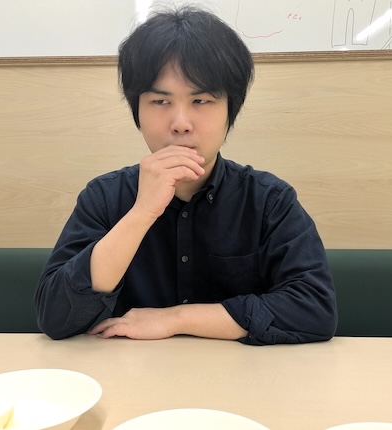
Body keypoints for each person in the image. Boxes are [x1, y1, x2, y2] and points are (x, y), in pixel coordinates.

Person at [35, 5, 337, 346]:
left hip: (239, 374)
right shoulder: (105, 197)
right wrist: (141, 213)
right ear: (137, 110)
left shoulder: (269, 200)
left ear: (230, 110)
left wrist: (175, 319)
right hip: (129, 373)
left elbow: (314, 310)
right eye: (160, 102)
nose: (181, 123)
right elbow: (55, 317)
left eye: (202, 100)